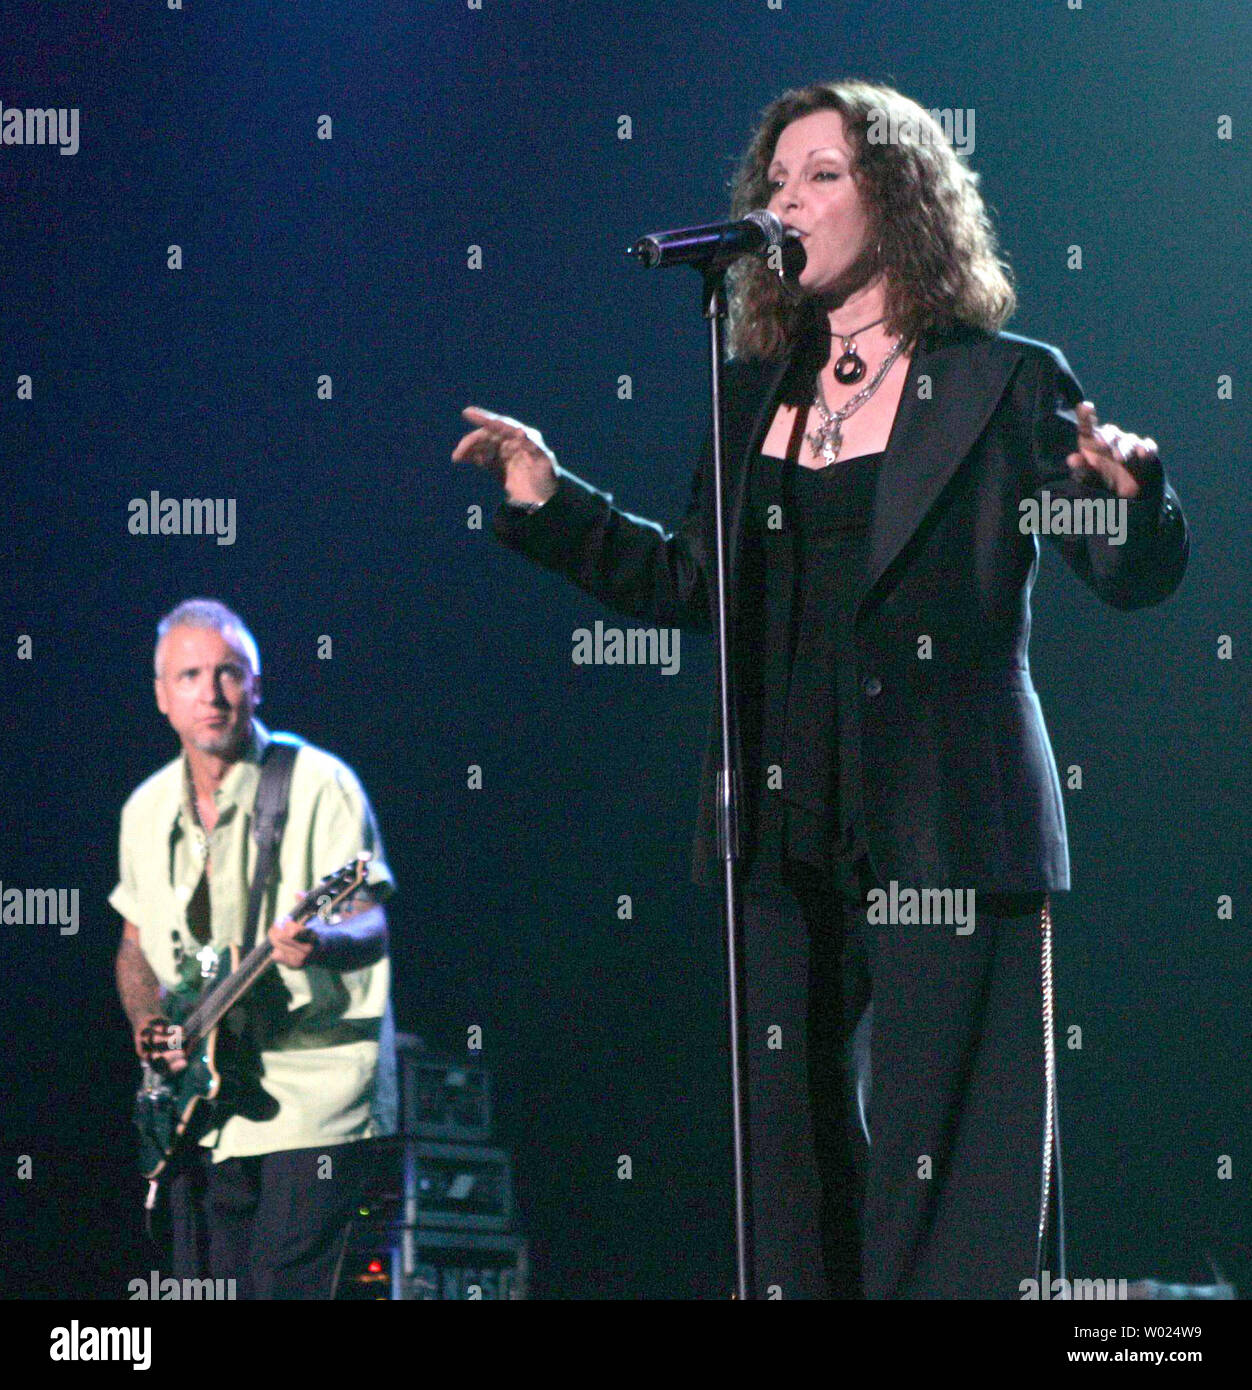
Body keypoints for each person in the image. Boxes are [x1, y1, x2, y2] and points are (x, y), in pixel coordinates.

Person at [452, 80, 1189, 1299]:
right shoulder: (756, 395)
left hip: (951, 816)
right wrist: (553, 502)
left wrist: (1132, 503)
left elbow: (1126, 574)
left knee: (943, 1151)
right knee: (786, 1157)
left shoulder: (1005, 380)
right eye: (773, 184)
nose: (782, 202)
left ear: (897, 195)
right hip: (783, 818)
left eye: (818, 176)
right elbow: (697, 585)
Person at [112, 598, 397, 1299]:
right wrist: (150, 1027)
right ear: (161, 696)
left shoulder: (320, 782)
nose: (211, 694)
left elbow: (371, 925)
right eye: (190, 675)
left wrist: (321, 941)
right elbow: (133, 947)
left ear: (256, 685)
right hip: (205, 1109)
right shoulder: (143, 810)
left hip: (313, 1093)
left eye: (229, 673)